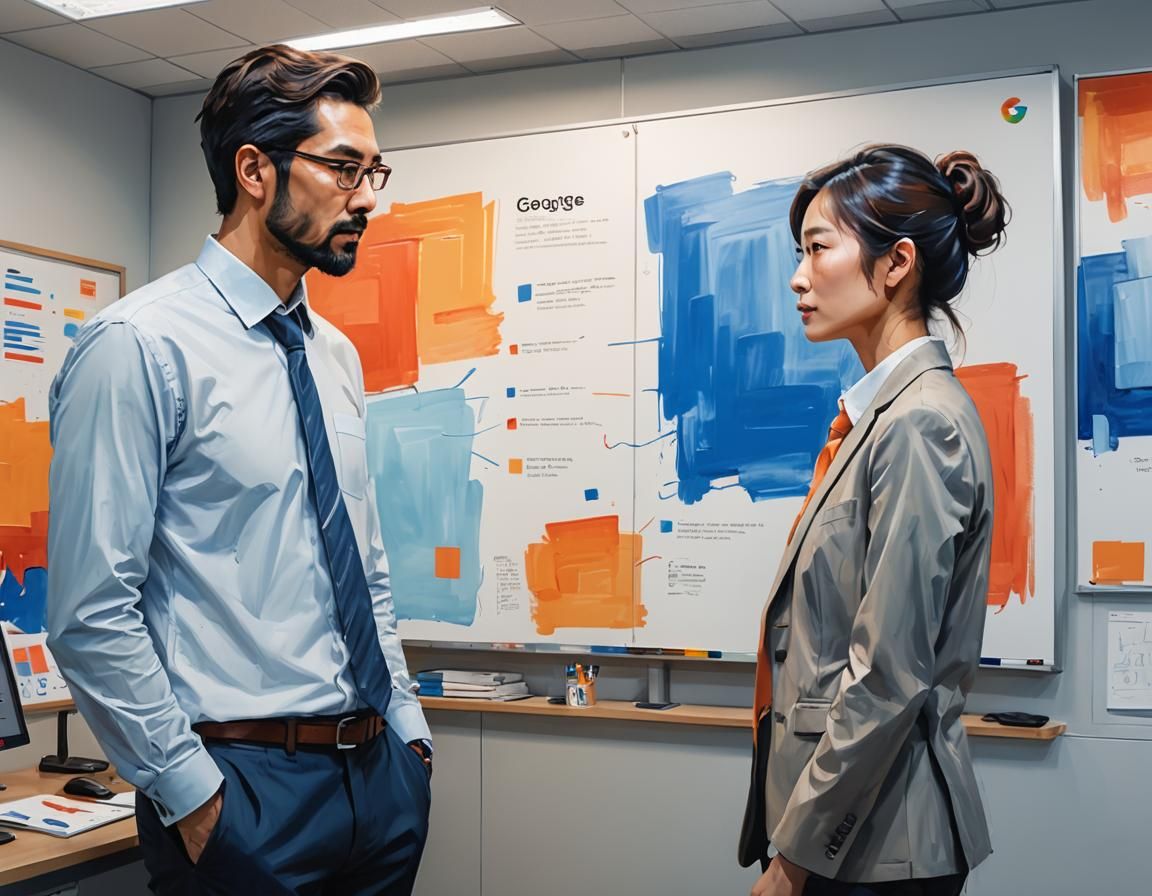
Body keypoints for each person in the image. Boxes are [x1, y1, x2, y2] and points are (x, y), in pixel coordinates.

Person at [46, 44, 431, 895]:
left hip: (377, 783)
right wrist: (192, 796)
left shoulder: (332, 354)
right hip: (243, 792)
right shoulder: (138, 348)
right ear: (254, 170)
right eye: (343, 168)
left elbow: (363, 569)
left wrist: (408, 734)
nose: (367, 197)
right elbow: (88, 612)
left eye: (375, 171)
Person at [738, 144, 1009, 896]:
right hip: (848, 831)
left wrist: (795, 858)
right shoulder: (882, 418)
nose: (798, 276)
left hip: (874, 844)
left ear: (896, 264)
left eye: (818, 248)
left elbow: (889, 673)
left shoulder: (920, 423)